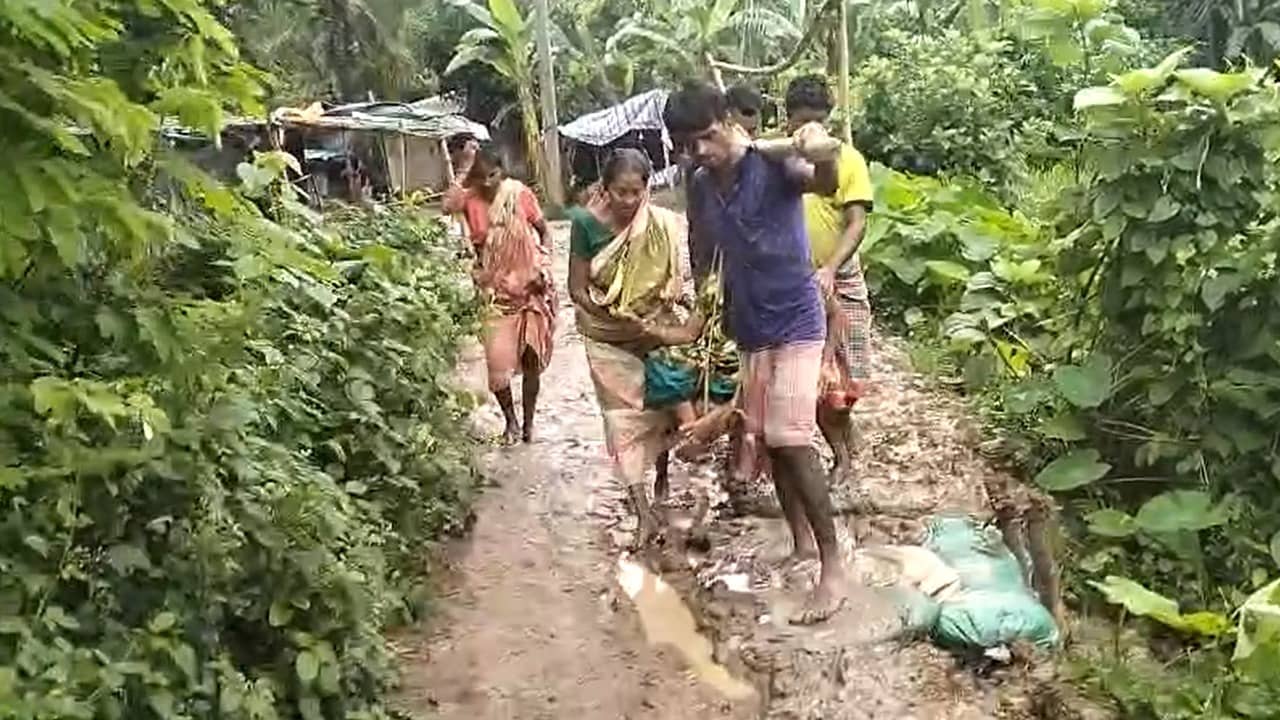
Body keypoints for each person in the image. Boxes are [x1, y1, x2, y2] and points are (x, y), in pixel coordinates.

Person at [664, 80, 847, 624]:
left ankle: (833, 566)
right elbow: (702, 247)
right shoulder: (701, 184)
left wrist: (821, 150)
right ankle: (801, 544)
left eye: (708, 136)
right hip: (749, 325)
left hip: (797, 319)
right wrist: (705, 304)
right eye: (688, 143)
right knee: (766, 439)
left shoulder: (773, 163)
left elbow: (825, 182)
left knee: (792, 438)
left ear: (728, 121)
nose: (700, 150)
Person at [567, 149, 698, 546]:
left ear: (647, 190)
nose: (628, 201)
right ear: (604, 189)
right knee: (621, 423)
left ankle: (661, 474)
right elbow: (577, 289)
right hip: (606, 336)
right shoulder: (584, 224)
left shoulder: (660, 225)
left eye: (636, 193)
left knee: (661, 406)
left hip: (654, 330)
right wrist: (612, 314)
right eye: (619, 192)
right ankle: (643, 512)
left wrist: (662, 319)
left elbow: (673, 282)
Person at [785, 75, 875, 474]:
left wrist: (830, 268)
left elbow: (857, 223)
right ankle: (839, 456)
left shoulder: (848, 159)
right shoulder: (778, 161)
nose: (811, 129)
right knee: (809, 380)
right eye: (803, 120)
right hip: (792, 283)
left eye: (818, 121)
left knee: (850, 377)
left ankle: (843, 432)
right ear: (788, 119)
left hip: (841, 277)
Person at [444, 148, 556, 444]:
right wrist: (464, 169)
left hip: (530, 289)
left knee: (532, 359)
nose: (488, 183)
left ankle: (528, 424)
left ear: (502, 172)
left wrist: (544, 266)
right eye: (481, 178)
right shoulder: (470, 199)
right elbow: (446, 206)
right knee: (496, 366)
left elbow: (544, 232)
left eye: (492, 175)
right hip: (495, 294)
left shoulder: (519, 194)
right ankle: (511, 421)